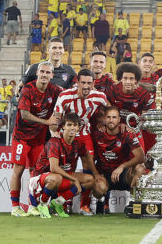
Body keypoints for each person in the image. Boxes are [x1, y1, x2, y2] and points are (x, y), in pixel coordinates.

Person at [9, 61, 62, 217]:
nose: (45, 75)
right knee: (18, 170)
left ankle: (32, 205)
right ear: (38, 72)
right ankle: (15, 207)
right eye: (42, 72)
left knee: (35, 173)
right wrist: (47, 122)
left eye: (48, 72)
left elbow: (68, 95)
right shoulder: (28, 89)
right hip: (21, 137)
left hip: (38, 140)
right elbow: (25, 115)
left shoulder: (55, 90)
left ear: (52, 75)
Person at [53, 68, 108, 215]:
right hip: (65, 137)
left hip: (84, 135)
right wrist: (54, 134)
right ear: (77, 82)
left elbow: (109, 111)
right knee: (64, 168)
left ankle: (85, 205)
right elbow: (56, 118)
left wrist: (102, 120)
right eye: (83, 82)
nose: (85, 86)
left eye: (89, 83)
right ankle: (62, 204)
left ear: (93, 83)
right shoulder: (65, 96)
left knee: (88, 166)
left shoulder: (99, 96)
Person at [28, 113, 100, 218]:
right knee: (56, 177)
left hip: (61, 178)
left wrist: (97, 175)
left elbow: (87, 160)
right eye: (69, 125)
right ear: (63, 127)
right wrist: (75, 180)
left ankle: (57, 203)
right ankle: (42, 204)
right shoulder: (54, 142)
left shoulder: (78, 144)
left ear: (78, 128)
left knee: (89, 179)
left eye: (75, 125)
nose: (72, 128)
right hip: (40, 179)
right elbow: (54, 168)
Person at [92, 107, 146, 214]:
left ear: (119, 120)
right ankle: (101, 201)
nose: (111, 120)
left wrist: (122, 167)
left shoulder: (127, 134)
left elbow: (141, 157)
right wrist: (96, 174)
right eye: (108, 117)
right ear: (104, 119)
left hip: (124, 175)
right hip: (105, 174)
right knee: (99, 187)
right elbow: (88, 157)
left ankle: (133, 202)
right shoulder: (97, 134)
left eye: (114, 117)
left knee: (140, 168)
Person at [106, 63, 154, 148]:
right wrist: (118, 125)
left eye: (131, 79)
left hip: (135, 130)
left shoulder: (144, 95)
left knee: (140, 159)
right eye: (125, 78)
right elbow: (106, 112)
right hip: (116, 129)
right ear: (120, 78)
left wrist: (135, 128)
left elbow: (145, 117)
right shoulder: (111, 91)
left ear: (136, 80)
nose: (128, 82)